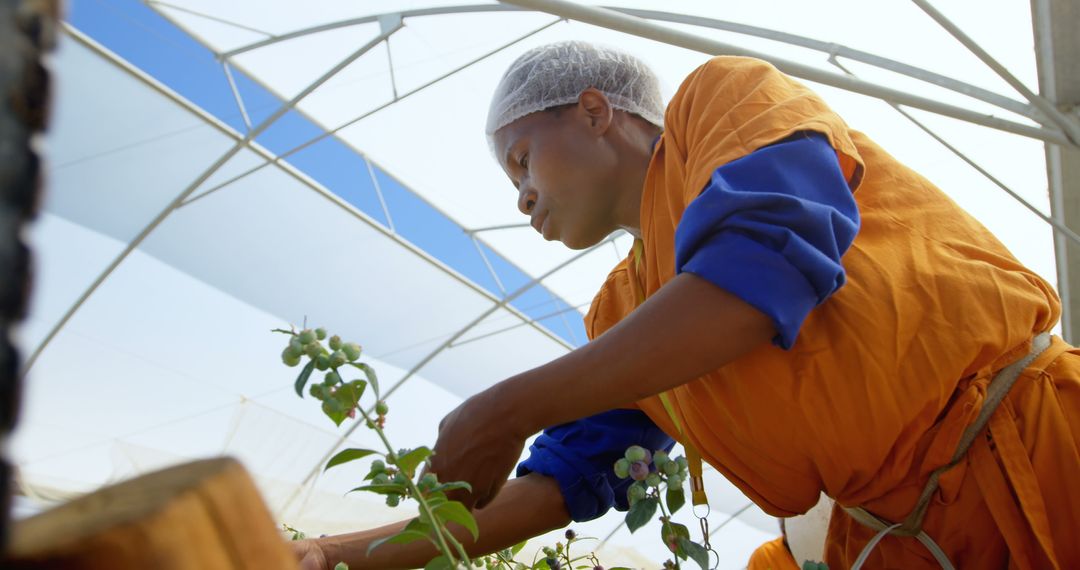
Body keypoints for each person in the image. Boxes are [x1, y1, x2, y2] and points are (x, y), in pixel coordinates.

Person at [293, 41, 1080, 569]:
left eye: (524, 159)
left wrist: (501, 409)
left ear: (595, 110)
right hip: (901, 538)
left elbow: (762, 267)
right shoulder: (620, 319)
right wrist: (330, 556)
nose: (524, 196)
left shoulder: (719, 106)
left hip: (1042, 450)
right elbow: (558, 486)